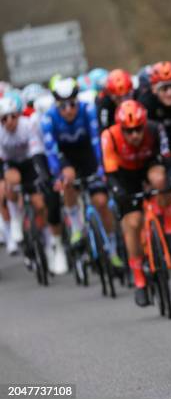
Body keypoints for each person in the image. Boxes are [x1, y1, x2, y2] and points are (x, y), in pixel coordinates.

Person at [41, 78, 122, 269]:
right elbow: (51, 151)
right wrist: (59, 173)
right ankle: (77, 227)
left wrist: (102, 168)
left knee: (101, 202)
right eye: (63, 106)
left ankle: (112, 248)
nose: (68, 110)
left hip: (88, 155)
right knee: (67, 179)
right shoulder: (49, 118)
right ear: (56, 105)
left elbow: (96, 141)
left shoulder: (88, 111)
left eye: (71, 104)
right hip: (65, 157)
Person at [101, 100, 171, 307]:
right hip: (123, 176)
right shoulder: (110, 136)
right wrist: (119, 192)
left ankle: (167, 223)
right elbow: (110, 175)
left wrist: (170, 182)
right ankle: (139, 278)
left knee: (161, 180)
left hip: (147, 166)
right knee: (132, 223)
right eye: (129, 131)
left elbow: (167, 160)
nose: (134, 135)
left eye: (138, 129)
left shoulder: (154, 129)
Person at [0, 97, 66, 269]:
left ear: (18, 115)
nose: (9, 122)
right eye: (4, 119)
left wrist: (42, 176)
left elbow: (37, 154)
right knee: (10, 182)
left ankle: (47, 237)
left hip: (30, 161)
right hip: (11, 163)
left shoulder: (28, 125)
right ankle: (15, 219)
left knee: (39, 203)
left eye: (12, 116)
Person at [138, 61, 171, 167]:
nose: (170, 93)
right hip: (158, 149)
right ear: (154, 89)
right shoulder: (145, 103)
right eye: (164, 88)